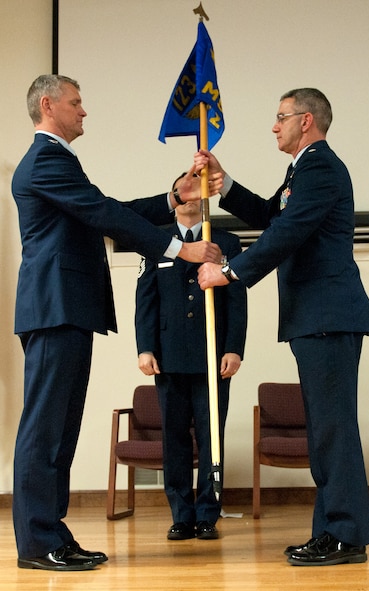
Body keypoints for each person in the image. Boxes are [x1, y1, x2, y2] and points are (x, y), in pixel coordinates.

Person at [11, 74, 222, 572]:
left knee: (60, 430)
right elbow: (102, 212)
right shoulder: (45, 159)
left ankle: (50, 533)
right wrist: (180, 247)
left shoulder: (58, 161)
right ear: (48, 105)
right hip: (53, 308)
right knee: (44, 430)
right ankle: (38, 541)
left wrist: (173, 198)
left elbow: (107, 212)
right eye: (76, 102)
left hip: (67, 309)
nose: (84, 112)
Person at [195, 88, 369, 566]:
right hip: (315, 317)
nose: (274, 126)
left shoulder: (320, 167)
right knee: (324, 427)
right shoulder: (303, 169)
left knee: (332, 429)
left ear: (307, 121)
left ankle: (345, 534)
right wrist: (225, 184)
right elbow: (272, 214)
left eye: (281, 117)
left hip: (328, 315)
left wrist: (230, 272)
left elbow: (286, 232)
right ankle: (332, 531)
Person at [135, 173, 247, 541]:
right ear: (176, 197)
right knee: (175, 437)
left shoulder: (225, 241)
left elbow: (237, 301)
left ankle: (206, 514)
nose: (191, 198)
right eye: (185, 191)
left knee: (212, 435)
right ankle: (181, 514)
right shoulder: (156, 243)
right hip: (168, 357)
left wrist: (234, 347)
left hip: (212, 356)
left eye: (199, 192)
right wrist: (145, 348)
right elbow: (146, 301)